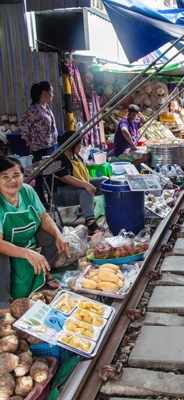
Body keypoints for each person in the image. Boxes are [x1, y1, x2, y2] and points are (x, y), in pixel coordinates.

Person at [0, 156, 70, 313]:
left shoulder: (27, 191)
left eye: (16, 175)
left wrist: (59, 234)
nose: (12, 181)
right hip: (4, 244)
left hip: (27, 236)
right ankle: (3, 303)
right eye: (5, 177)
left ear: (23, 176)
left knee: (52, 232)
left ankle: (45, 273)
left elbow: (43, 217)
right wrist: (27, 253)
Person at [54, 131, 105, 235]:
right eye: (79, 144)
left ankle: (110, 210)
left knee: (104, 181)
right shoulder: (61, 158)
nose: (81, 146)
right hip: (61, 193)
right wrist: (86, 185)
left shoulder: (76, 156)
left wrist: (89, 183)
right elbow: (65, 178)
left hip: (76, 188)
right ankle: (91, 223)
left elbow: (85, 176)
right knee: (85, 191)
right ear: (72, 145)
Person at [18, 81, 58, 210]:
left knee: (50, 174)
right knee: (41, 177)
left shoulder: (45, 107)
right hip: (40, 148)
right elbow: (22, 125)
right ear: (44, 93)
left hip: (50, 145)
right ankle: (42, 204)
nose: (53, 94)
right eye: (51, 91)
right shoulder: (34, 109)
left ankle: (50, 200)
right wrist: (29, 141)